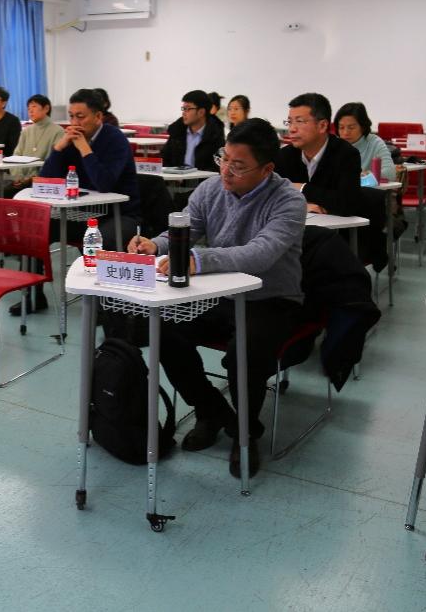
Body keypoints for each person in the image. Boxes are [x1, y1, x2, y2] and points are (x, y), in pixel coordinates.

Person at [129, 118, 305, 478]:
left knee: (246, 351)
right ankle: (213, 411)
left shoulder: (288, 201)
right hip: (218, 293)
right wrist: (155, 245)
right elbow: (185, 229)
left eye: (238, 166)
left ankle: (245, 433)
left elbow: (260, 254)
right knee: (164, 329)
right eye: (224, 159)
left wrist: (198, 260)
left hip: (270, 297)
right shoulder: (211, 189)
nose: (226, 170)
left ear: (266, 169)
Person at [18, 88, 141, 314]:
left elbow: (104, 183)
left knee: (100, 240)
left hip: (118, 214)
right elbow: (46, 179)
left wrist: (84, 148)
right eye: (71, 116)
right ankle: (33, 296)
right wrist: (59, 147)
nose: (74, 122)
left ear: (98, 116)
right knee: (33, 231)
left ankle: (104, 307)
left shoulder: (115, 139)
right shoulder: (71, 138)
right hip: (81, 212)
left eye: (80, 116)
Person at [274, 93, 362, 216]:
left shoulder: (346, 154)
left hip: (334, 227)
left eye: (299, 121)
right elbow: (270, 196)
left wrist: (302, 188)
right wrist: (302, 205)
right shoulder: (284, 155)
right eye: (289, 122)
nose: (292, 129)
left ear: (322, 126)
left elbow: (347, 204)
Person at [4, 94, 64, 196]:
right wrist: (18, 177)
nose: (30, 111)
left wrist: (31, 179)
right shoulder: (26, 131)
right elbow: (16, 155)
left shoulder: (58, 131)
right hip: (21, 181)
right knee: (1, 194)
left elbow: (53, 161)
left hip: (43, 183)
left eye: (34, 106)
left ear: (46, 108)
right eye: (28, 108)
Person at [161, 90, 225, 172]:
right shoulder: (177, 131)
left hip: (205, 179)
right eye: (183, 109)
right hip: (176, 178)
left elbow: (218, 166)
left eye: (187, 109)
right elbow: (165, 159)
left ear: (201, 112)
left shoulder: (215, 135)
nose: (183, 113)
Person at [333, 101, 397, 181]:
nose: (345, 132)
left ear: (363, 127)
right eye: (341, 127)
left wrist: (366, 175)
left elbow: (390, 174)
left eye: (351, 127)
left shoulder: (375, 143)